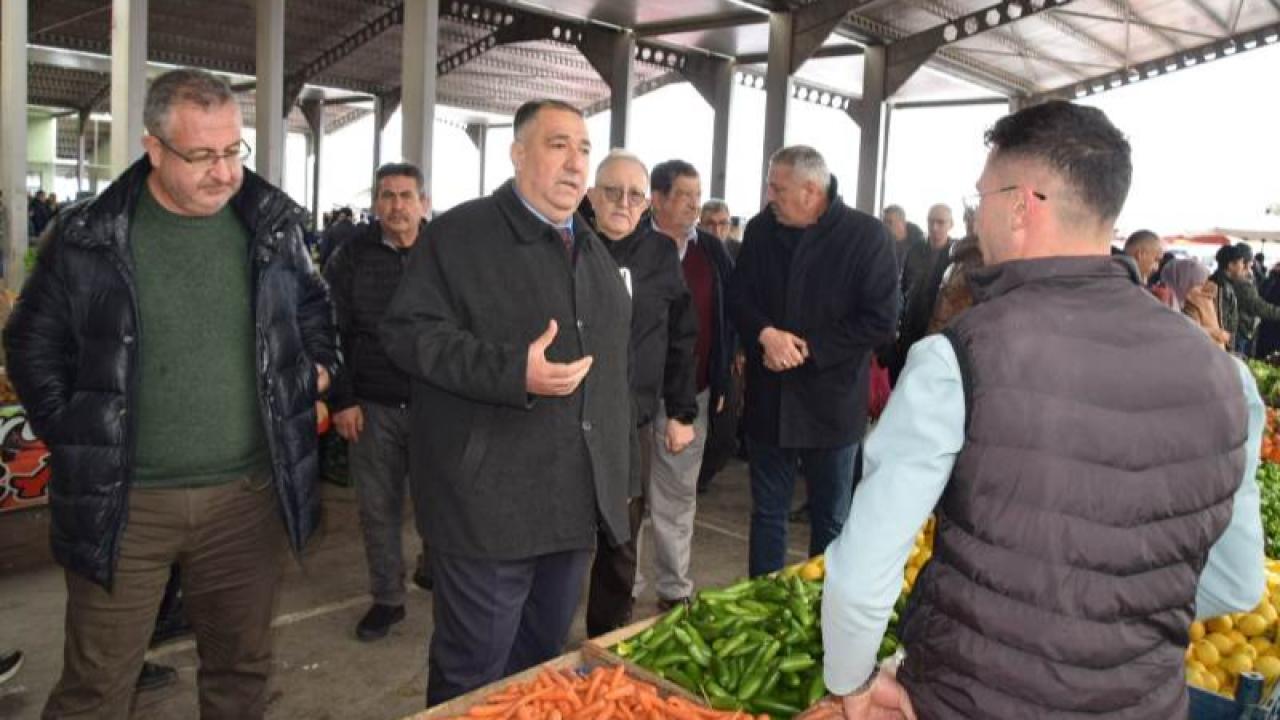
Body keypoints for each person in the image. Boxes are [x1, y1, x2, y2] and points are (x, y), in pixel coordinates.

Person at [816, 100, 1264, 720]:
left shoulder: (960, 358)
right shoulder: (1228, 377)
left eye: (981, 199)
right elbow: (1237, 582)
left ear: (1021, 205)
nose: (978, 217)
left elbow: (860, 577)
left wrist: (852, 686)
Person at [3, 68, 338, 720]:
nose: (223, 172)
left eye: (232, 151)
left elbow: (317, 315)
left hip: (247, 501)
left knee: (242, 672)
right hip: (127, 506)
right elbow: (31, 345)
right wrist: (75, 434)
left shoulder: (272, 229)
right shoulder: (87, 237)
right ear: (153, 148)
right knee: (97, 686)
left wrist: (317, 372)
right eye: (202, 155)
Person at [379, 99, 631, 706]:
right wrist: (512, 371)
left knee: (540, 668)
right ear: (518, 154)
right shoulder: (460, 236)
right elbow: (407, 333)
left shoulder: (593, 253)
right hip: (487, 507)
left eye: (584, 149)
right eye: (558, 145)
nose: (576, 163)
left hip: (570, 507)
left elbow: (615, 380)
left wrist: (617, 481)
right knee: (474, 675)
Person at [727, 145, 899, 578]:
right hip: (771, 401)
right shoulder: (762, 229)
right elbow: (740, 295)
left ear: (810, 190)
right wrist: (765, 334)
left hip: (833, 407)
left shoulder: (866, 236)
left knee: (832, 520)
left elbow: (881, 321)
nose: (770, 196)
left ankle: (826, 611)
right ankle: (763, 606)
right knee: (767, 516)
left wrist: (807, 348)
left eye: (778, 188)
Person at [582, 149, 697, 637]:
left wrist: (682, 411)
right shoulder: (570, 246)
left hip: (633, 423)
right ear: (592, 195)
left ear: (647, 202)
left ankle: (606, 634)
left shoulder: (661, 256)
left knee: (622, 533)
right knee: (561, 534)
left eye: (634, 194)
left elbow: (681, 338)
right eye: (612, 191)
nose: (623, 203)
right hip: (567, 416)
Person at [324, 162, 432, 642]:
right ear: (375, 203)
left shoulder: (444, 252)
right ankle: (387, 598)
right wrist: (342, 399)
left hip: (439, 404)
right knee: (377, 507)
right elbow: (329, 331)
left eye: (406, 196)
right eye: (387, 196)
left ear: (423, 203)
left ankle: (438, 570)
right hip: (373, 403)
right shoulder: (350, 257)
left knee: (445, 502)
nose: (397, 206)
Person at [638, 159, 736, 609]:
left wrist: (718, 385)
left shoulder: (712, 253)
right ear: (656, 199)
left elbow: (723, 321)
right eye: (684, 196)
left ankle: (674, 589)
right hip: (634, 397)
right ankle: (627, 586)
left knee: (677, 497)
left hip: (690, 396)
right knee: (631, 498)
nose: (694, 206)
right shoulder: (630, 245)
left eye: (698, 196)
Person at [695, 200, 743, 494]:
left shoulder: (738, 254)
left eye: (723, 223)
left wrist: (741, 349)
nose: (717, 229)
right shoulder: (696, 253)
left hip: (731, 352)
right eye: (710, 223)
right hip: (701, 351)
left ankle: (703, 476)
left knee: (725, 429)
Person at [895, 204, 956, 367]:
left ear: (951, 224)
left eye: (941, 222)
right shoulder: (915, 250)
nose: (934, 227)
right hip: (909, 331)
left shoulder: (956, 258)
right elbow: (902, 288)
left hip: (938, 337)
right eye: (930, 221)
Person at [1162, 258, 1230, 348]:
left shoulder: (1185, 300)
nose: (1201, 290)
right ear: (1183, 282)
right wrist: (1211, 332)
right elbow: (1175, 331)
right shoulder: (1163, 301)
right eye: (1198, 284)